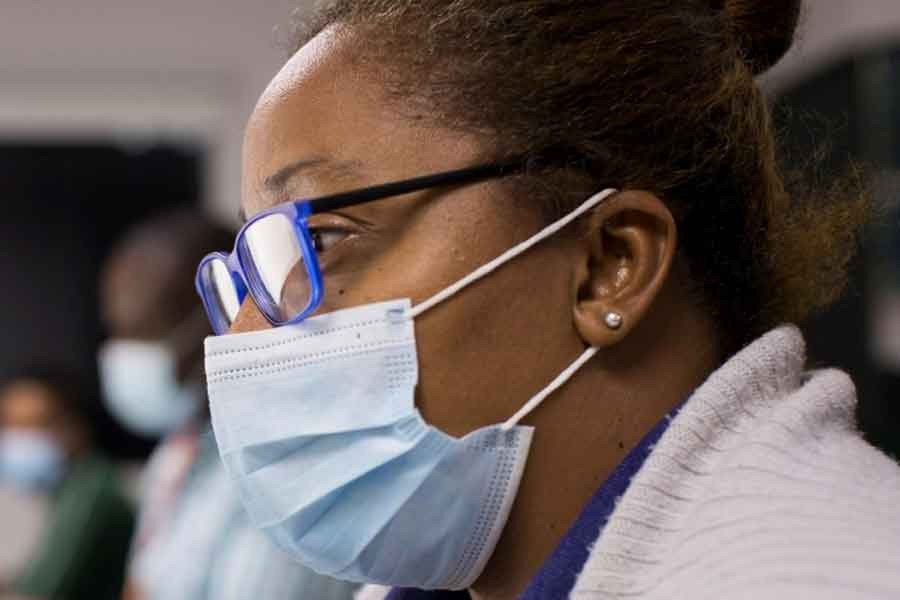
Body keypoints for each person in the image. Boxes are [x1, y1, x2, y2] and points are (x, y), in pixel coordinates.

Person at [193, 1, 900, 599]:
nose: (251, 328)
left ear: (608, 264)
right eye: (258, 265)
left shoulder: (835, 574)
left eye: (322, 241)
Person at [100, 209, 357, 600]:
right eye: (122, 330)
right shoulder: (176, 455)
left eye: (148, 331)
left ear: (224, 312)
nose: (129, 352)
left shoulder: (290, 469)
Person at [0, 367, 134, 600]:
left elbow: (36, 594)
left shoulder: (91, 491)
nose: (19, 437)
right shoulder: (66, 487)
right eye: (11, 424)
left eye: (34, 425)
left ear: (75, 428)